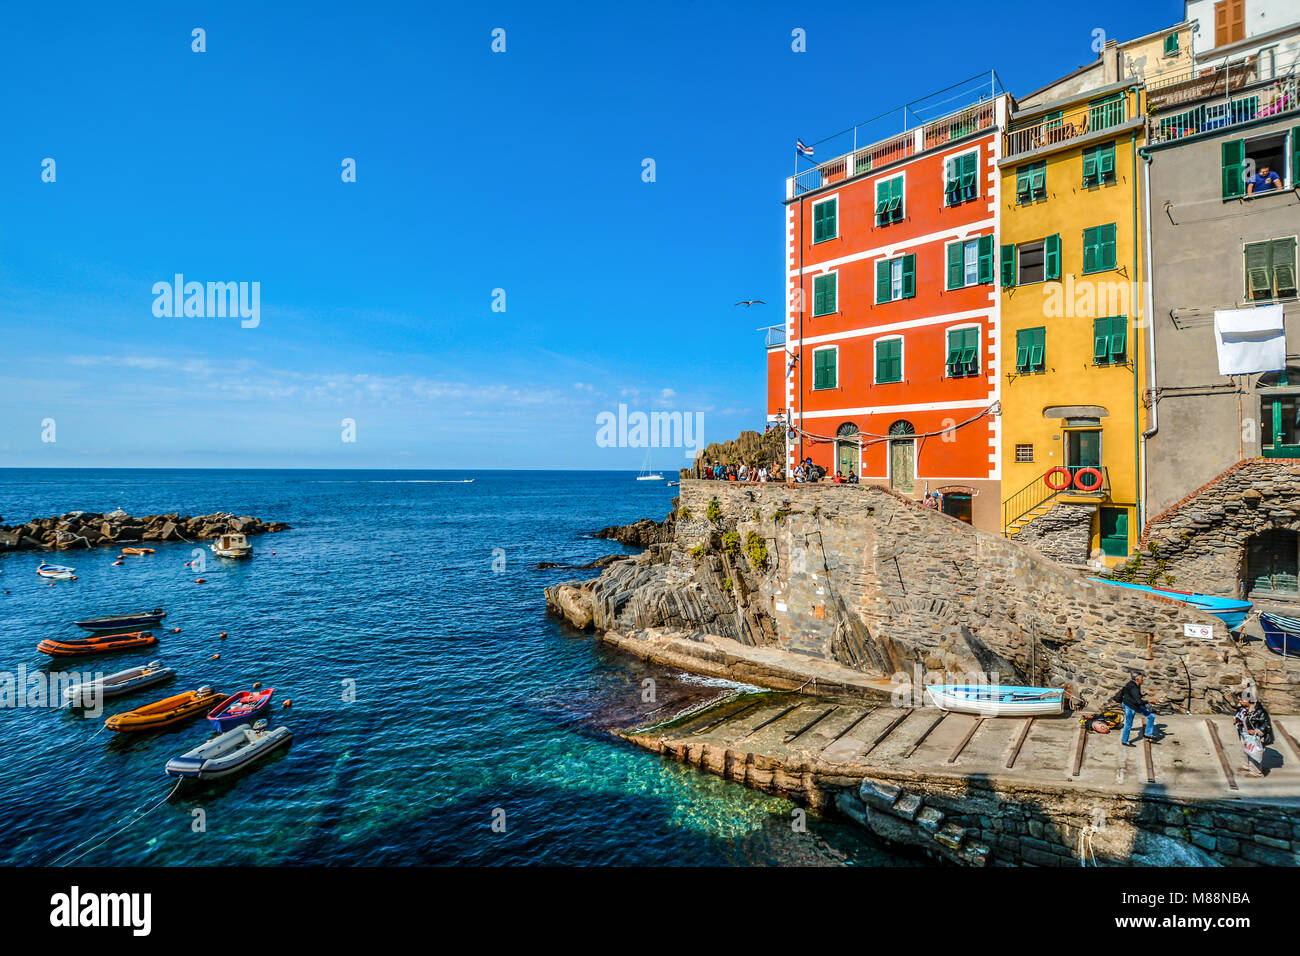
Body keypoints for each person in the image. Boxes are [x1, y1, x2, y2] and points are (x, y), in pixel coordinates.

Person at [1234, 688, 1273, 777]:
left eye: (1241, 700)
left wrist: (1256, 731)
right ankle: (1247, 766)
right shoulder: (1242, 708)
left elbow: (1265, 724)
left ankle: (1256, 772)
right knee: (1247, 750)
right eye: (1239, 700)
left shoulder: (1259, 711)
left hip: (1256, 736)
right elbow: (1239, 717)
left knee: (1255, 752)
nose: (1240, 702)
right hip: (1245, 734)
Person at [1116, 672, 1158, 746]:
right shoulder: (1134, 688)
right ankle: (1124, 741)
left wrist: (1141, 695)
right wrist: (1150, 700)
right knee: (1128, 724)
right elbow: (1139, 702)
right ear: (1137, 679)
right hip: (1130, 706)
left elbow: (1135, 696)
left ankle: (1148, 733)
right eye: (1142, 678)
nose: (1143, 679)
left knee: (1151, 716)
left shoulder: (1136, 684)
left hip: (1134, 704)